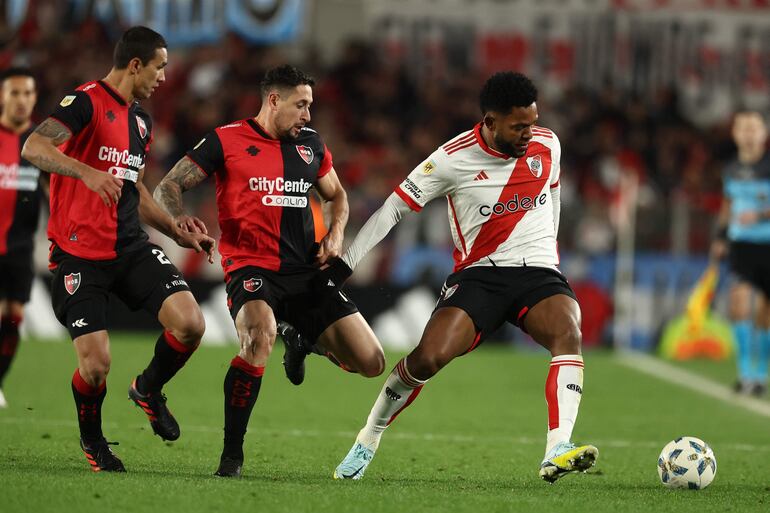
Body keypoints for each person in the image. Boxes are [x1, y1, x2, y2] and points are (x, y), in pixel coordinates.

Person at [321, 71, 598, 483]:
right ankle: (368, 438)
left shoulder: (547, 144)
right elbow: (393, 208)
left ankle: (557, 447)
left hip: (538, 272)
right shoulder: (452, 158)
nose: (529, 133)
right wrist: (347, 263)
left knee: (568, 332)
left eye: (533, 122)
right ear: (490, 121)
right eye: (518, 126)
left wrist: (549, 252)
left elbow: (552, 191)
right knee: (426, 359)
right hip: (479, 277)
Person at [154, 64, 385, 478]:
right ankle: (231, 457)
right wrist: (178, 222)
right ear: (274, 100)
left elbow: (337, 195)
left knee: (371, 363)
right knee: (259, 337)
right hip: (251, 268)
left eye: (310, 106)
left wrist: (335, 234)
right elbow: (168, 185)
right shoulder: (226, 140)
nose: (308, 116)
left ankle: (301, 342)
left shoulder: (311, 145)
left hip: (308, 272)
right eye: (301, 105)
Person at [21, 26, 215, 473]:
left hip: (129, 248)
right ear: (135, 64)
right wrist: (85, 172)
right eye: (160, 66)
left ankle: (147, 389)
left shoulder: (141, 121)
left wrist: (174, 230)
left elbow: (136, 189)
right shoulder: (85, 101)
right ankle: (94, 442)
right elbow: (35, 145)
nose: (164, 77)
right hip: (78, 256)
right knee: (96, 366)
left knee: (190, 323)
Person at [711, 110, 770, 397]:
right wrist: (720, 237)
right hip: (742, 246)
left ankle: (760, 374)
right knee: (739, 303)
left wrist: (759, 214)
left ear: (764, 133)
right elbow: (728, 204)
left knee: (764, 312)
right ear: (734, 133)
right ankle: (746, 372)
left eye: (753, 127)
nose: (748, 133)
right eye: (742, 127)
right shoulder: (731, 168)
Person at [0, 67, 42, 408]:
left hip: (20, 246)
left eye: (27, 94)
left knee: (14, 316)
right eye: (15, 93)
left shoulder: (39, 146)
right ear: (2, 96)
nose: (21, 101)